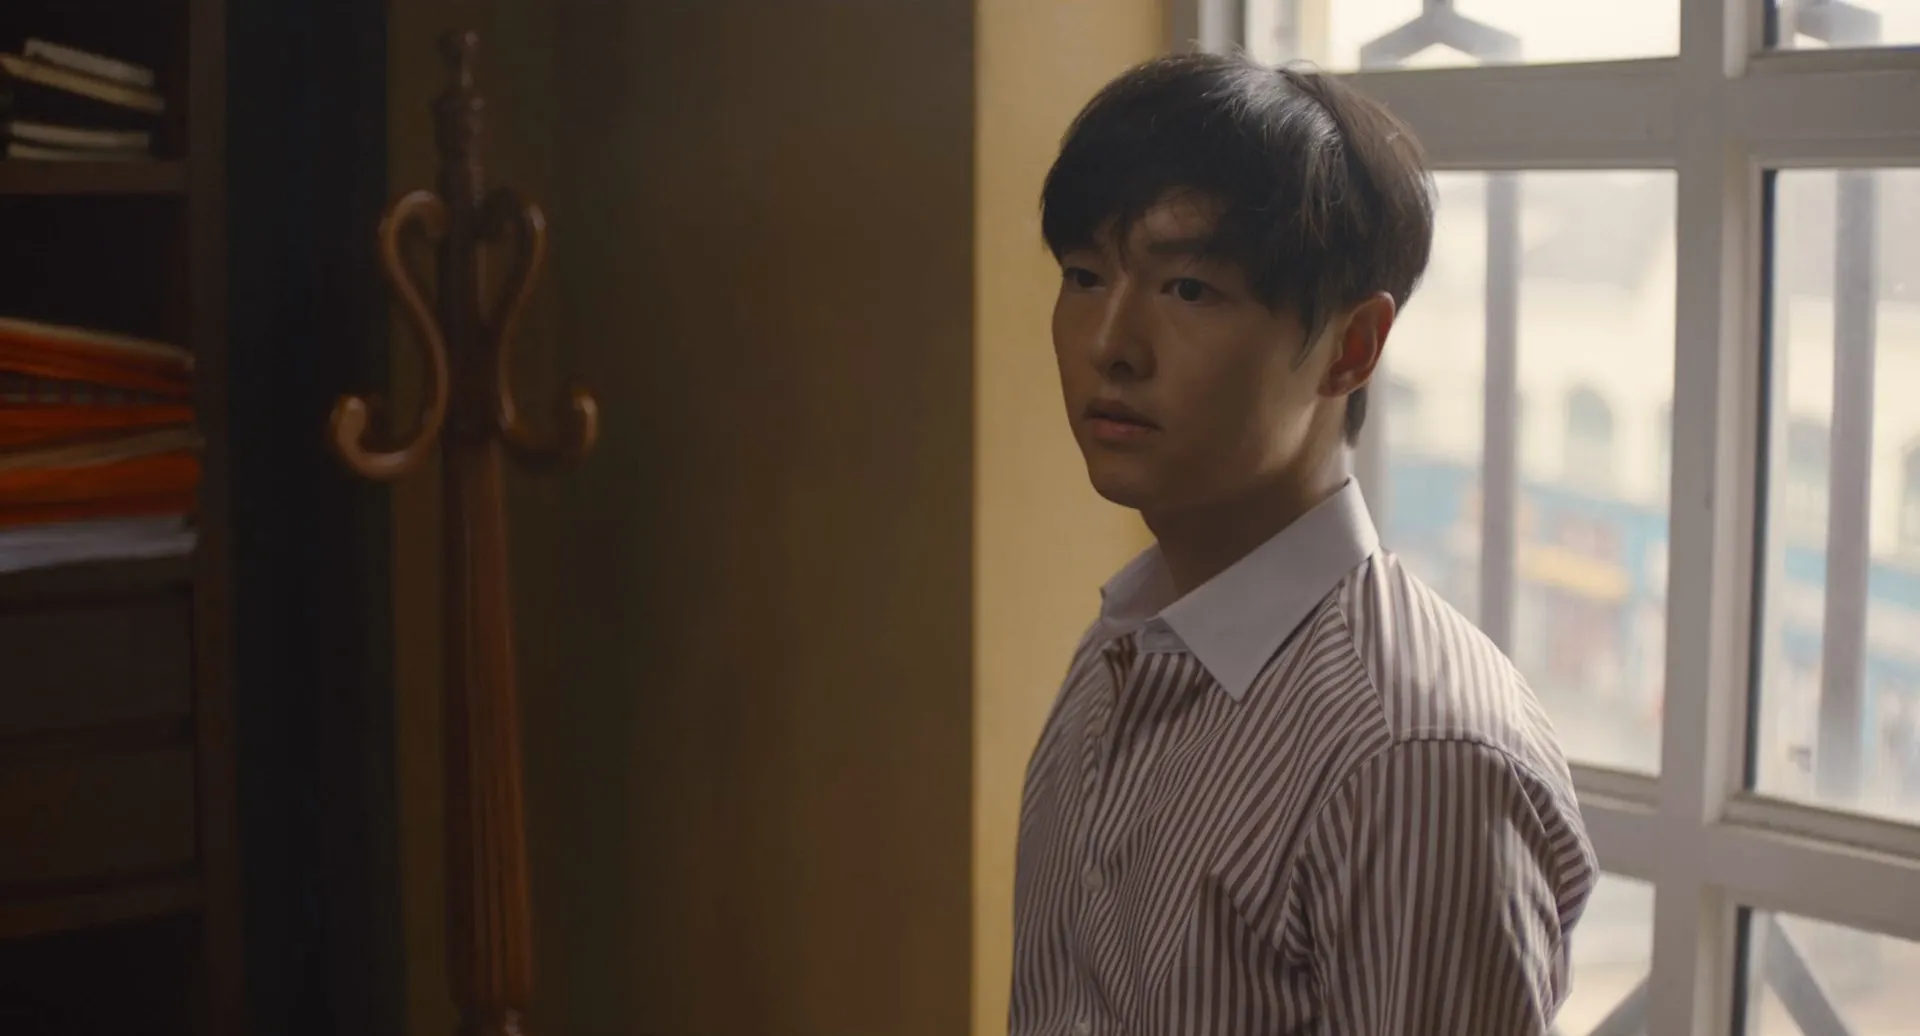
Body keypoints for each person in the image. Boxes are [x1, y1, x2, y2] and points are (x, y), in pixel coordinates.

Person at [1009, 51, 1597, 1035]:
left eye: (1188, 289)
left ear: (1352, 347)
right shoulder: (1122, 645)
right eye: (1084, 274)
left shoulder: (1411, 758)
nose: (1110, 342)